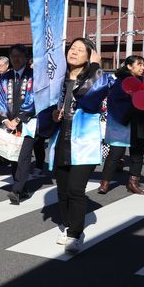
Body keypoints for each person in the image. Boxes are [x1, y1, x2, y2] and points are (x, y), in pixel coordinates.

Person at [47, 37, 110, 253]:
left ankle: (76, 233)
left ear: (89, 56)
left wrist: (95, 66)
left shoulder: (98, 76)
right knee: (62, 190)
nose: (73, 52)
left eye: (80, 50)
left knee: (75, 189)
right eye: (72, 48)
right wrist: (54, 115)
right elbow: (49, 106)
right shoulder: (59, 79)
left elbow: (88, 96)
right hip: (62, 137)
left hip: (84, 140)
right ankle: (67, 226)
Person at [0, 44, 37, 204]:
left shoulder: (34, 76)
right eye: (13, 55)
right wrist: (5, 120)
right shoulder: (3, 78)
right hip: (9, 122)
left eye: (19, 56)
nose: (16, 59)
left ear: (26, 58)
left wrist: (18, 119)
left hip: (28, 122)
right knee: (13, 156)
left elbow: (35, 98)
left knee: (24, 156)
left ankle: (16, 190)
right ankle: (22, 188)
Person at [100, 55, 144, 195]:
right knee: (116, 153)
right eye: (139, 64)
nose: (142, 68)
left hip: (138, 121)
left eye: (143, 65)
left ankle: (133, 183)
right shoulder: (120, 82)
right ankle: (105, 182)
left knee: (137, 153)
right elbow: (114, 102)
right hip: (122, 121)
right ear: (129, 66)